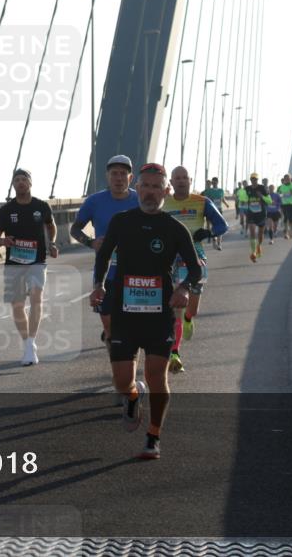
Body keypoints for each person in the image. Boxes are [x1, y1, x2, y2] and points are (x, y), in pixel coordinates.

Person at [89, 163, 202, 460]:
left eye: (156, 187)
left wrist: (184, 289)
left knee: (157, 377)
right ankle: (132, 396)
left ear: (165, 191)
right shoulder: (121, 221)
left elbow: (195, 269)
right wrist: (98, 285)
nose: (150, 192)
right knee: (121, 381)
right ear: (136, 188)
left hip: (159, 314)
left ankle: (153, 437)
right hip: (124, 313)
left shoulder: (174, 228)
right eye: (145, 186)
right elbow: (103, 256)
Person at [163, 166, 228, 373]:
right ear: (171, 183)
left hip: (195, 260)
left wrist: (207, 233)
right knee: (176, 310)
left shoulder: (202, 202)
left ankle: (189, 319)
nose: (181, 181)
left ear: (190, 181)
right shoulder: (163, 203)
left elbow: (222, 225)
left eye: (184, 178)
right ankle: (175, 353)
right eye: (177, 178)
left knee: (191, 310)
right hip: (170, 260)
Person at [0, 168, 57, 366]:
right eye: (17, 180)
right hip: (14, 263)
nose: (20, 182)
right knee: (17, 304)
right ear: (13, 184)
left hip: (36, 261)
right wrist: (3, 242)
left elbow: (50, 225)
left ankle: (31, 343)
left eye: (23, 179)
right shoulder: (6, 210)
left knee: (36, 297)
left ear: (30, 183)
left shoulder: (41, 206)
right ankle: (27, 341)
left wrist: (51, 243)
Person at [70, 155, 139, 349]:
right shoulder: (94, 201)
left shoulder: (139, 199)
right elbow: (75, 229)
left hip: (135, 273)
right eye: (114, 174)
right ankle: (112, 346)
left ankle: (126, 373)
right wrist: (91, 242)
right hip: (106, 273)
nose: (119, 178)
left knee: (132, 329)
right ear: (107, 177)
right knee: (110, 328)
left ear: (130, 177)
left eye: (123, 174)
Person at [244, 172, 270, 262]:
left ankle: (259, 246)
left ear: (257, 180)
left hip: (261, 214)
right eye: (252, 179)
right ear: (250, 180)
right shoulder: (247, 189)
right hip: (251, 214)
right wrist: (242, 199)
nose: (254, 181)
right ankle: (253, 252)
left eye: (255, 179)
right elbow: (243, 198)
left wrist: (261, 196)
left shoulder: (262, 188)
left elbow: (269, 200)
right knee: (252, 231)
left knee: (260, 234)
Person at [200, 176, 228, 250]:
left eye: (215, 181)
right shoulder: (209, 191)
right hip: (211, 211)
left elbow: (222, 198)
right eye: (213, 181)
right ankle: (214, 241)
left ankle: (219, 243)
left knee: (220, 225)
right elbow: (205, 198)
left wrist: (226, 204)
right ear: (212, 182)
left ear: (217, 182)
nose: (214, 182)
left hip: (219, 209)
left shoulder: (221, 190)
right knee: (212, 226)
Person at [277, 174, 292, 239]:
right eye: (285, 178)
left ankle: (291, 229)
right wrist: (280, 195)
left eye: (288, 178)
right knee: (285, 218)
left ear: (290, 178)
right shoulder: (281, 186)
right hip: (284, 204)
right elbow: (278, 194)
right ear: (284, 179)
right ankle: (286, 233)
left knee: (290, 218)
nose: (287, 179)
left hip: (291, 203)